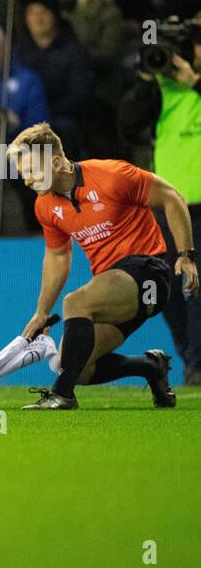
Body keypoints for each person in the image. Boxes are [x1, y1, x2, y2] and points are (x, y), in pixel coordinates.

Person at [8, 123, 197, 410]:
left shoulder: (111, 175)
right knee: (72, 365)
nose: (27, 180)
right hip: (115, 288)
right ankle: (150, 366)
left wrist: (185, 254)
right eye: (23, 174)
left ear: (57, 162)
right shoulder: (45, 206)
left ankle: (62, 396)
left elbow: (171, 197)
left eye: (33, 170)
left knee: (76, 302)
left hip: (150, 273)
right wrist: (42, 312)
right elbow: (58, 257)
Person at [118, 19, 201, 385]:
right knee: (166, 288)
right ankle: (190, 356)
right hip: (169, 207)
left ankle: (197, 366)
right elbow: (127, 124)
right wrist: (147, 80)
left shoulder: (195, 88)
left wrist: (195, 82)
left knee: (198, 289)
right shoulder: (160, 92)